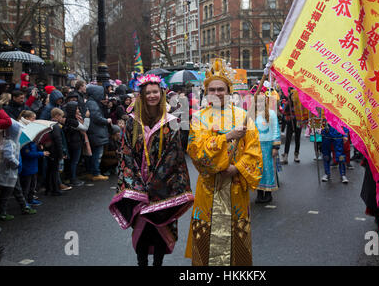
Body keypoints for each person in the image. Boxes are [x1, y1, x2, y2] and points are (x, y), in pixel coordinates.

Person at [109, 74, 194, 266]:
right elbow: (126, 152)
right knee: (142, 231)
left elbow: (175, 155)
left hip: (163, 186)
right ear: (142, 95)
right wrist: (136, 183)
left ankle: (158, 263)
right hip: (138, 186)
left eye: (155, 92)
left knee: (160, 228)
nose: (152, 96)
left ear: (161, 93)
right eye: (148, 93)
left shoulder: (171, 121)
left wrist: (156, 182)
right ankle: (141, 263)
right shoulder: (132, 121)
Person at [185, 59, 263, 266]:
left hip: (235, 186)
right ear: (206, 92)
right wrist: (226, 137)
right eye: (212, 89)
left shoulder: (243, 116)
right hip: (209, 186)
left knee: (235, 233)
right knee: (207, 232)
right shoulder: (199, 118)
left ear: (229, 91)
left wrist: (235, 168)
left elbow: (254, 151)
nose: (217, 93)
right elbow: (195, 151)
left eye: (221, 89)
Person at [0, 118, 37, 220]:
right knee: (6, 193)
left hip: (11, 173)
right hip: (8, 172)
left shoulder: (12, 141)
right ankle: (2, 212)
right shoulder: (9, 142)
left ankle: (24, 207)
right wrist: (17, 164)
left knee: (16, 190)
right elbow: (8, 156)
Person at [18, 110, 50, 205]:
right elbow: (27, 154)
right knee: (26, 186)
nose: (35, 120)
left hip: (33, 165)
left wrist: (38, 147)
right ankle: (25, 202)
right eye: (33, 118)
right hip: (27, 166)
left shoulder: (31, 132)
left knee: (32, 185)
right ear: (27, 118)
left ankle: (30, 199)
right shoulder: (23, 133)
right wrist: (41, 154)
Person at [254, 93, 280, 203]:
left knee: (268, 169)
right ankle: (259, 193)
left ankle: (268, 193)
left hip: (268, 145)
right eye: (256, 101)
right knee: (257, 169)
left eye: (260, 101)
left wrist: (275, 146)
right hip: (255, 146)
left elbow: (275, 129)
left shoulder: (271, 114)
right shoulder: (252, 114)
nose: (258, 104)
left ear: (265, 102)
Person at [85, 85, 112, 181]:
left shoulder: (92, 103)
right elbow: (96, 118)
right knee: (97, 154)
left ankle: (90, 172)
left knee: (91, 154)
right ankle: (96, 173)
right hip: (96, 132)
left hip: (94, 132)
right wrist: (106, 120)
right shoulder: (93, 104)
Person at [63, 102, 89, 187]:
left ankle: (71, 178)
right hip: (75, 143)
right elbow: (85, 128)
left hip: (72, 142)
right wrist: (87, 118)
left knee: (72, 161)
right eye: (77, 109)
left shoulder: (68, 119)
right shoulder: (72, 121)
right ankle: (73, 179)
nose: (78, 110)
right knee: (74, 162)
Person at [44, 108, 68, 196]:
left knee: (49, 170)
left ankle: (48, 188)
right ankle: (55, 189)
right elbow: (58, 140)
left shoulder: (49, 124)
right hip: (55, 151)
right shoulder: (56, 126)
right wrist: (61, 153)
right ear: (57, 116)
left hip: (49, 150)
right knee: (54, 171)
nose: (62, 118)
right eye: (61, 116)